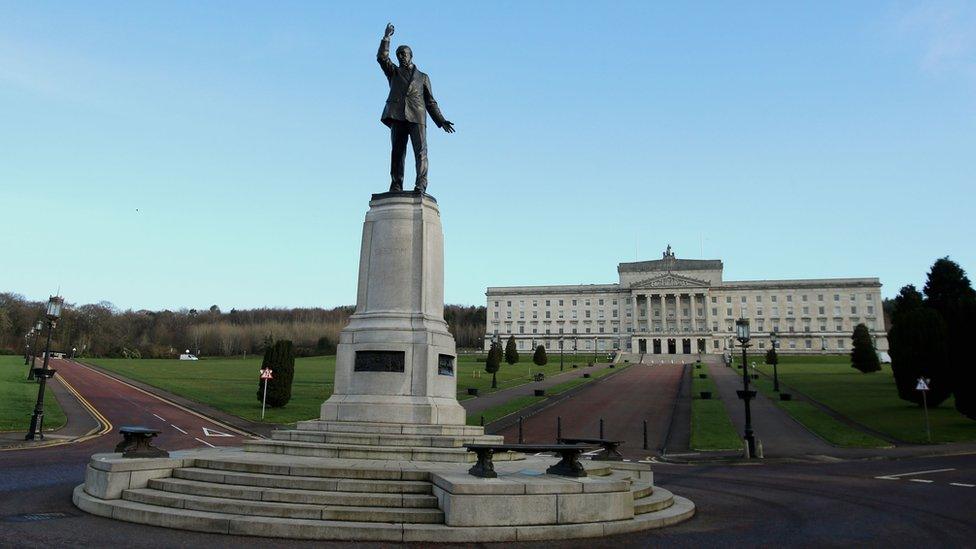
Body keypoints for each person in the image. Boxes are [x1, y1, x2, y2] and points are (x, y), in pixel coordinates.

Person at [377, 23, 454, 193]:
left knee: (421, 152)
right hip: (397, 115)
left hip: (417, 117)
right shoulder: (393, 72)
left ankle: (421, 185)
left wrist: (441, 120)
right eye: (398, 55)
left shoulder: (423, 77)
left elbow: (430, 102)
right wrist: (386, 38)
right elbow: (382, 58)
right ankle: (396, 185)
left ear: (411, 55)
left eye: (404, 54)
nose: (401, 57)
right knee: (397, 152)